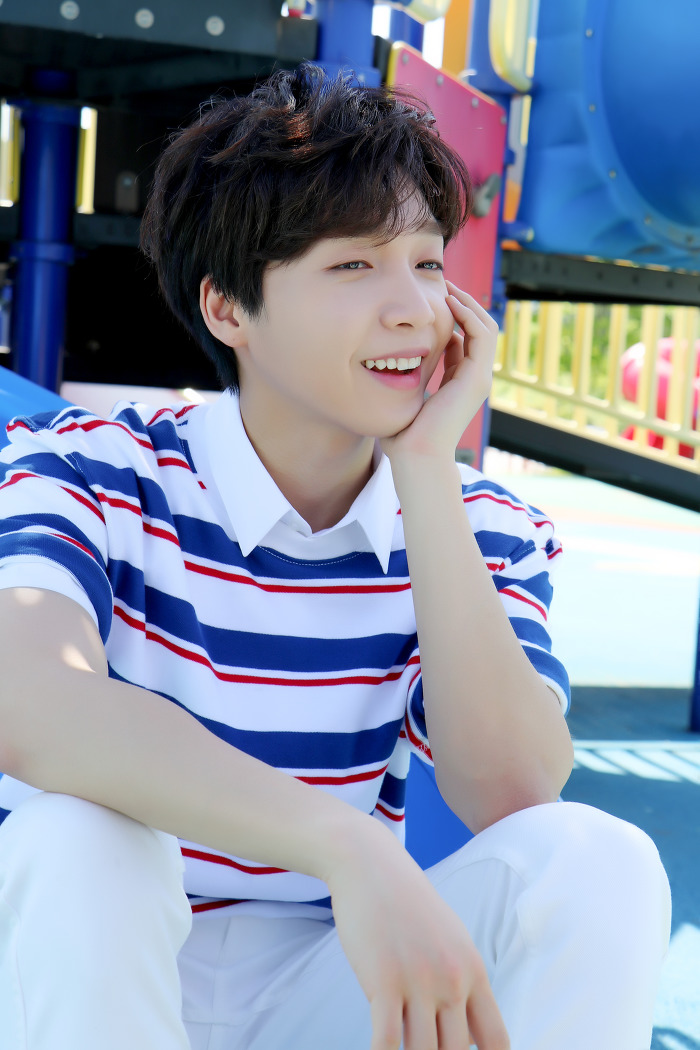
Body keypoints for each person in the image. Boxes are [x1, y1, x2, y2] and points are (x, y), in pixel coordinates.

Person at [0, 64, 670, 1050]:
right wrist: (343, 842)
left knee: (596, 861)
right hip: (79, 968)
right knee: (78, 838)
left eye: (428, 263)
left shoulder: (479, 523)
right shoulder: (88, 469)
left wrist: (425, 473)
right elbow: (30, 703)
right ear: (228, 309)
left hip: (323, 981)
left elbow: (513, 790)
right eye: (354, 265)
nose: (413, 309)